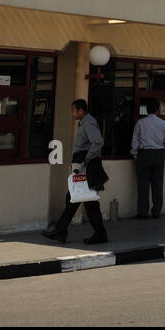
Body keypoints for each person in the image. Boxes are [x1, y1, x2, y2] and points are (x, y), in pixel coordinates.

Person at [44, 99, 108, 245]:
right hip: (83, 169)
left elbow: (98, 142)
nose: (72, 113)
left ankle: (98, 234)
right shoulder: (84, 123)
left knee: (84, 202)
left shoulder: (89, 123)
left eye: (74, 110)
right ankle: (61, 232)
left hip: (87, 168)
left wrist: (85, 159)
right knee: (74, 199)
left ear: (81, 111)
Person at [130, 103, 165, 219]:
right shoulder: (164, 124)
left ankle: (143, 212)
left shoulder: (140, 123)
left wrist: (135, 154)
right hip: (159, 154)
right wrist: (164, 153)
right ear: (157, 110)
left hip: (144, 154)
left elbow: (135, 140)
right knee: (157, 185)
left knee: (143, 185)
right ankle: (156, 211)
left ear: (146, 110)